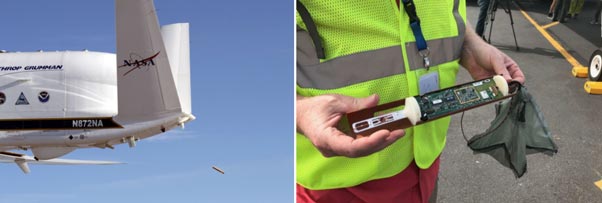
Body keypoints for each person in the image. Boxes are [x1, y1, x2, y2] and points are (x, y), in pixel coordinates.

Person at [296, 1, 525, 203]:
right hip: (334, 187)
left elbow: (449, 16)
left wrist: (471, 46)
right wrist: (298, 110)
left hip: (425, 168)